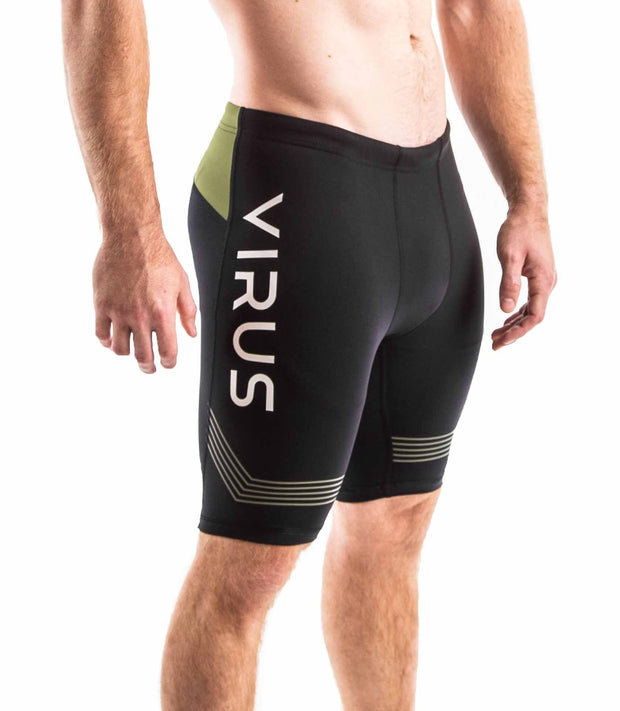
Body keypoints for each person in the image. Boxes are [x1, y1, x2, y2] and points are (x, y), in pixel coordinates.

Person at [61, 0, 557, 708]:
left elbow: (473, 7)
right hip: (293, 192)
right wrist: (129, 229)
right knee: (248, 561)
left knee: (396, 522)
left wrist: (528, 195)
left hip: (434, 198)